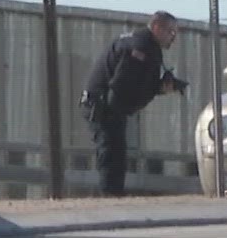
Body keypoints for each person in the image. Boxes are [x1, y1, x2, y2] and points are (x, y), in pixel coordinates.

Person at [80, 11, 188, 196]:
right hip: (103, 106)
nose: (173, 37)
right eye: (170, 32)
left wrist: (160, 88)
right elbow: (122, 86)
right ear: (156, 28)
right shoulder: (140, 48)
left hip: (109, 106)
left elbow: (137, 84)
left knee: (116, 153)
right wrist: (150, 92)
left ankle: (113, 194)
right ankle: (110, 197)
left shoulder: (146, 46)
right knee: (110, 152)